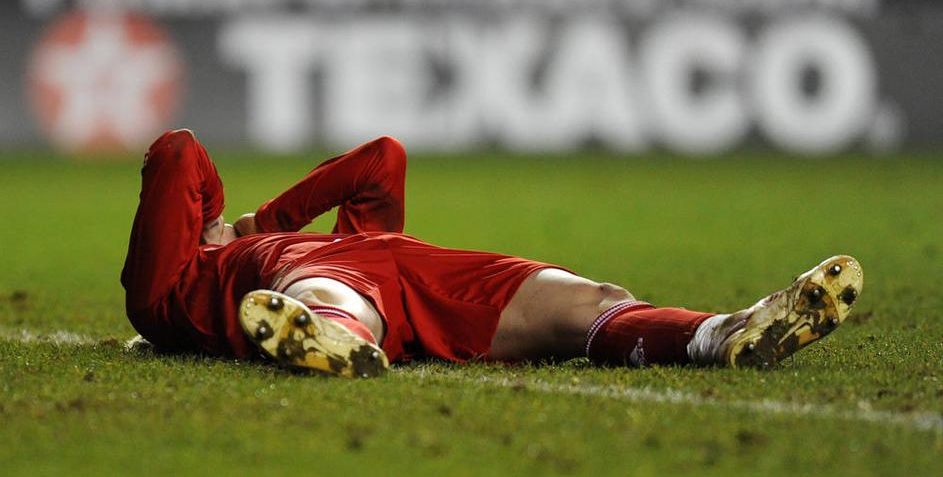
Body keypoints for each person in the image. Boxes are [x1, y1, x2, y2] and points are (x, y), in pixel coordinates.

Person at [122, 129, 863, 378]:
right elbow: (179, 151)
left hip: (416, 269)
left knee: (593, 300)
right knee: (331, 290)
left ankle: (723, 334)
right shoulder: (174, 294)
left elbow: (381, 159)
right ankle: (331, 337)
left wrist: (263, 217)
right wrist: (228, 227)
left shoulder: (293, 234)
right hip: (308, 282)